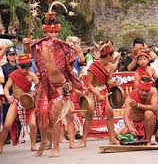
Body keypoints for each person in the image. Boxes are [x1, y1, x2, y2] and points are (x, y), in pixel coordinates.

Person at [31, 9, 86, 157]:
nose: (53, 36)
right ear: (44, 32)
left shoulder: (62, 47)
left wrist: (75, 50)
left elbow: (71, 65)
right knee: (42, 116)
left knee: (54, 116)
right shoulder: (37, 46)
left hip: (59, 86)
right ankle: (43, 141)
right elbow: (29, 49)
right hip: (44, 85)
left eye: (55, 33)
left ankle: (56, 148)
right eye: (50, 33)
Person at [81, 41, 119, 147]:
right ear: (107, 56)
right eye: (112, 55)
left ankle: (111, 138)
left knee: (110, 112)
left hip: (103, 90)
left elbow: (108, 81)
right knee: (89, 114)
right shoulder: (93, 66)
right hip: (93, 91)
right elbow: (88, 84)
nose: (114, 58)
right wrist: (97, 95)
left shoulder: (110, 66)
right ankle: (83, 141)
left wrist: (114, 81)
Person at [0, 54, 39, 153]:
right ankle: (0, 145)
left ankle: (33, 145)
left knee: (33, 124)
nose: (25, 70)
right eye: (23, 67)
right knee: (7, 125)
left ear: (30, 66)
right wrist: (8, 96)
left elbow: (39, 87)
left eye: (27, 67)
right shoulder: (13, 75)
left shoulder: (32, 75)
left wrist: (34, 92)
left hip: (28, 102)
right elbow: (6, 88)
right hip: (16, 102)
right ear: (19, 66)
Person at [119, 76, 158, 144]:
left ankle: (148, 140)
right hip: (136, 123)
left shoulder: (153, 91)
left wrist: (139, 105)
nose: (144, 93)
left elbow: (155, 108)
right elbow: (126, 116)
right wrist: (130, 127)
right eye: (142, 90)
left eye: (146, 91)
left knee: (149, 113)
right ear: (138, 87)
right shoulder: (130, 97)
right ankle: (137, 137)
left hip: (151, 122)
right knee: (118, 135)